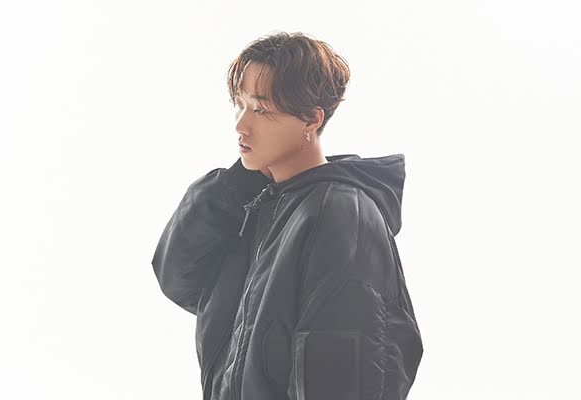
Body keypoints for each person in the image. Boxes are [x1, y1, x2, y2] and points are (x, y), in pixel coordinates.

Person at [152, 31, 423, 400]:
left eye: (260, 110)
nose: (241, 125)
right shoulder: (259, 206)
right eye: (239, 104)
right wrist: (235, 187)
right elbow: (178, 278)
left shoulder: (340, 214)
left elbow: (342, 379)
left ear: (311, 120)